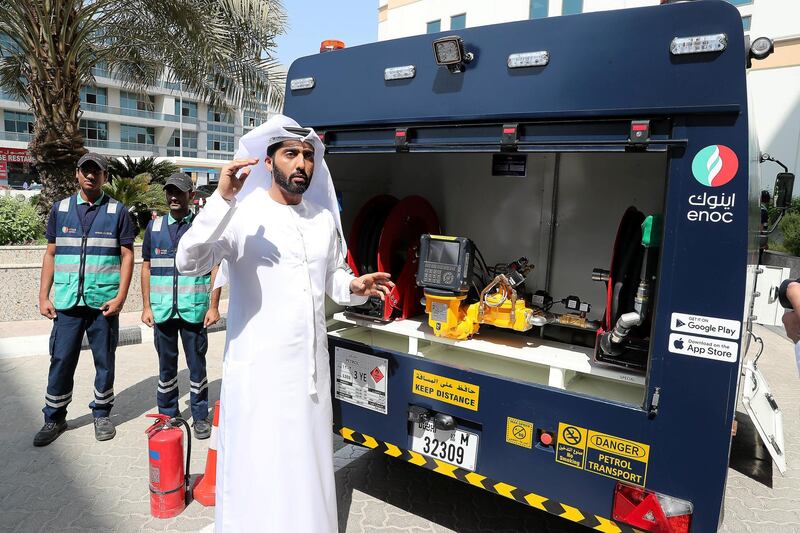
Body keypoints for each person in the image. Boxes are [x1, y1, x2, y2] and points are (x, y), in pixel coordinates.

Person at [176, 115, 393, 532]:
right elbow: (189, 262)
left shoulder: (322, 219)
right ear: (269, 161)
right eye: (290, 154)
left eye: (308, 156)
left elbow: (332, 279)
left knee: (306, 463)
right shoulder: (242, 215)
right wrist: (220, 202)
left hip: (309, 374)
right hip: (259, 374)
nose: (301, 165)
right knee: (260, 465)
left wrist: (356, 285)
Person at [34, 153, 135, 446]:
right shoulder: (60, 209)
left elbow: (127, 255)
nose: (91, 176)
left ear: (105, 177)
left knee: (104, 361)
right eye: (86, 171)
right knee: (62, 358)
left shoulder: (118, 211)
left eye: (98, 172)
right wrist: (43, 296)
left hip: (103, 302)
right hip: (67, 302)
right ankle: (54, 417)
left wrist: (120, 297)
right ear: (77, 174)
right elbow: (51, 253)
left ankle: (101, 414)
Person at [141, 173, 222, 439]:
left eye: (180, 192)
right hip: (163, 310)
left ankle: (199, 415)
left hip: (194, 309)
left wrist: (213, 306)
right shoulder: (154, 228)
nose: (174, 197)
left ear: (192, 196)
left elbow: (214, 267)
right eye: (170, 192)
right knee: (166, 367)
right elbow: (147, 267)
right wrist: (146, 306)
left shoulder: (201, 227)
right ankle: (168, 413)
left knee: (196, 366)